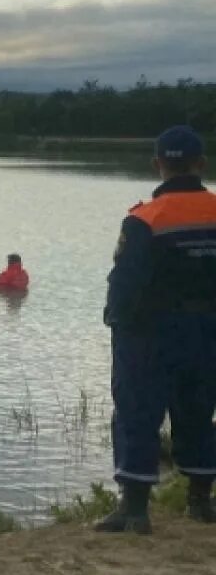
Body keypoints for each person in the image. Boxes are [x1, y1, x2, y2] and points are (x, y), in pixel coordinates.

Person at [97, 125, 216, 535]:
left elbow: (125, 282)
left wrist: (114, 320)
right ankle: (201, 501)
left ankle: (134, 510)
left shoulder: (145, 218)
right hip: (209, 330)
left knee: (136, 410)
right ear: (200, 164)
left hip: (151, 332)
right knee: (200, 409)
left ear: (158, 164)